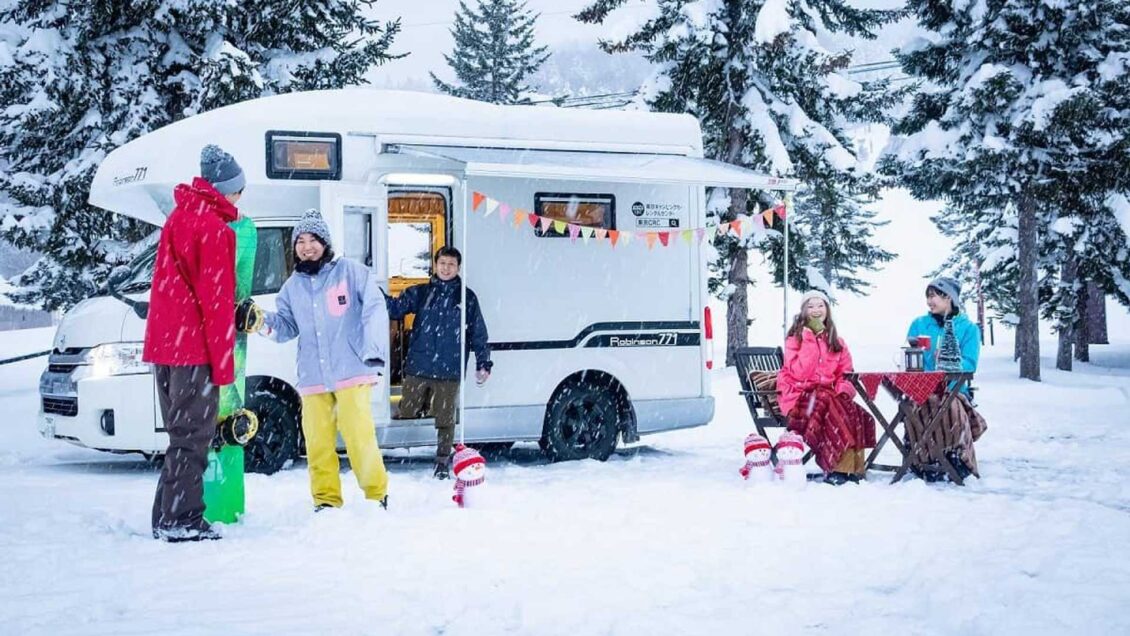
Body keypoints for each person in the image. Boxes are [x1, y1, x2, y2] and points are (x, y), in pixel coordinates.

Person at [252, 209, 391, 511]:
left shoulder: (351, 273)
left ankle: (376, 494)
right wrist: (260, 321)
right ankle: (326, 500)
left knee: (359, 437)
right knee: (317, 443)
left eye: (313, 239)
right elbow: (286, 327)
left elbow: (375, 309)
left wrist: (373, 350)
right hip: (313, 377)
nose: (306, 246)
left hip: (351, 370)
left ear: (325, 242)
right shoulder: (291, 288)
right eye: (300, 241)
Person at [142, 144, 244, 542]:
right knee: (193, 437)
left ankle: (165, 515)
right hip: (193, 351)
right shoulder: (215, 230)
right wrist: (224, 370)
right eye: (238, 189)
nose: (240, 197)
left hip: (165, 349)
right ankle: (181, 520)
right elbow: (216, 304)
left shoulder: (179, 218)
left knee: (179, 435)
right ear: (224, 189)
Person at [386, 246, 492, 480]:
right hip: (419, 365)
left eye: (451, 264)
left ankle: (442, 460)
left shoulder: (466, 297)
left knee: (445, 419)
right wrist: (372, 293)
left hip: (449, 368)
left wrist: (483, 362)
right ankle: (421, 415)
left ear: (458, 268)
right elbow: (395, 309)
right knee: (408, 410)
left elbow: (478, 332)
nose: (446, 268)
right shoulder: (421, 292)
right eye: (442, 263)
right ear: (435, 265)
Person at [776, 290, 876, 485]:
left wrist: (843, 389)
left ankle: (851, 468)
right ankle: (836, 467)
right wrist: (810, 340)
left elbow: (845, 372)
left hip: (825, 395)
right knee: (828, 403)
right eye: (810, 306)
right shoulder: (794, 339)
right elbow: (800, 373)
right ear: (803, 311)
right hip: (798, 396)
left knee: (852, 410)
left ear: (827, 310)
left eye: (820, 305)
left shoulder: (837, 341)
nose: (815, 310)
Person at [902, 276, 987, 480]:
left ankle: (956, 458)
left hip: (954, 389)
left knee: (949, 407)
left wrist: (949, 363)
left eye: (934, 296)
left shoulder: (968, 328)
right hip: (922, 388)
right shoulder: (919, 324)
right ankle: (920, 459)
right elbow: (910, 357)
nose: (930, 301)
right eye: (928, 296)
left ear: (949, 297)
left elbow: (970, 364)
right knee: (915, 405)